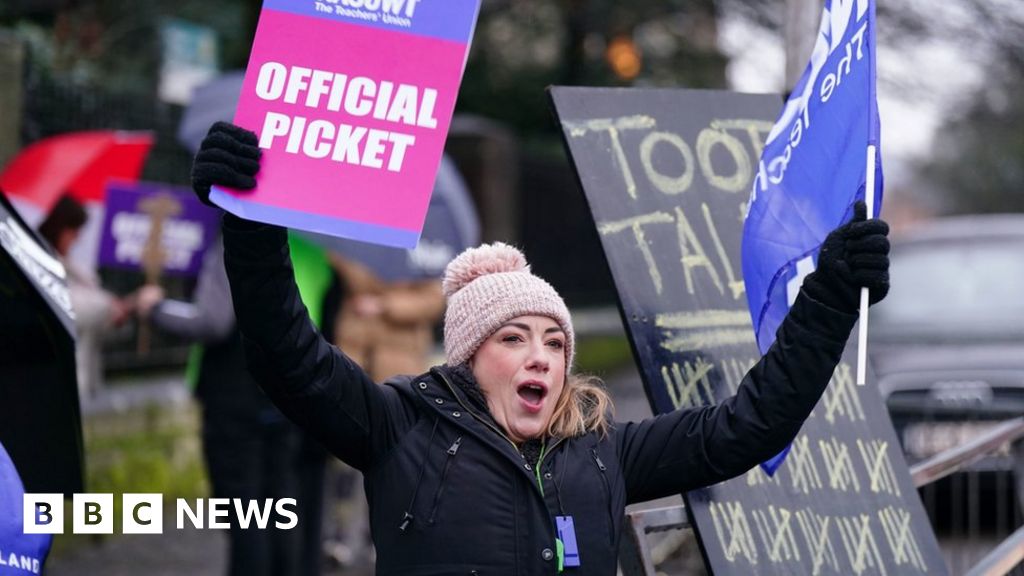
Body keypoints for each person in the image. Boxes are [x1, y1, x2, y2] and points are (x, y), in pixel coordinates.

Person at [191, 121, 890, 575]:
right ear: (468, 354)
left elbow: (751, 424)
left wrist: (828, 301)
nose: (542, 357)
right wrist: (251, 225)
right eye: (514, 337)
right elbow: (286, 353)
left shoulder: (605, 449)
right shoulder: (397, 425)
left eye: (555, 342)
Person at [135, 232, 305, 576]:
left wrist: (155, 308)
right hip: (281, 388)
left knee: (244, 512)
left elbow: (213, 320)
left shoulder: (234, 240)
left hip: (235, 395)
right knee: (279, 505)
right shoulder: (299, 238)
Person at [37, 195, 133, 399]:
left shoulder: (76, 267)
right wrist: (112, 306)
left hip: (86, 377)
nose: (77, 238)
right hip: (60, 379)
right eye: (73, 231)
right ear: (58, 226)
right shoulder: (40, 266)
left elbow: (99, 328)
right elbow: (75, 310)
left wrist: (116, 316)